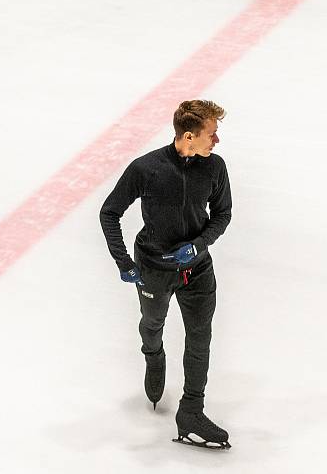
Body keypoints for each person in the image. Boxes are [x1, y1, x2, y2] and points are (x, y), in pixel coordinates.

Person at [99, 100, 232, 449]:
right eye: (211, 134)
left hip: (197, 270)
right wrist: (124, 262)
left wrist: (199, 245)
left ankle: (191, 411)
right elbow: (109, 213)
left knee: (200, 337)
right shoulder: (147, 169)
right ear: (189, 136)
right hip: (154, 270)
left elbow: (223, 213)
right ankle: (153, 356)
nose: (215, 141)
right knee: (152, 324)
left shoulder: (214, 168)